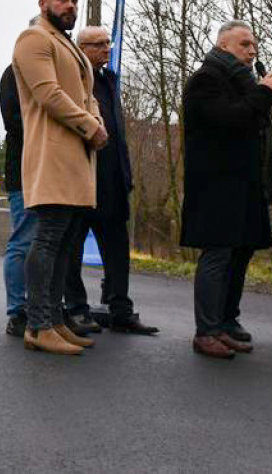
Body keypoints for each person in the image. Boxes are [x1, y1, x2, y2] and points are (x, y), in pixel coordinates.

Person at [12, 0, 107, 356]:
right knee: (49, 239)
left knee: (66, 243)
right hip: (53, 153)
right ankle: (37, 325)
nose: (70, 5)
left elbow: (87, 95)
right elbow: (48, 93)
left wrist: (97, 121)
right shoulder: (33, 39)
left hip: (78, 154)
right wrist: (89, 125)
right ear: (43, 3)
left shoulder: (69, 46)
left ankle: (53, 321)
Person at [181, 20, 272, 359]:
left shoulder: (242, 82)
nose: (252, 51)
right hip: (215, 185)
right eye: (244, 45)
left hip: (243, 184)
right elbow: (230, 120)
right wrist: (264, 93)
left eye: (253, 45)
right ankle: (205, 331)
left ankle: (223, 324)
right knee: (217, 255)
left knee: (240, 252)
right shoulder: (206, 80)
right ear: (224, 46)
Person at [64, 26, 158, 336]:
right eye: (99, 44)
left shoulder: (109, 80)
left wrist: (127, 174)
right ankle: (76, 310)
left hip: (114, 182)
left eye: (108, 43)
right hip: (83, 180)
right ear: (81, 48)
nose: (107, 49)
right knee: (73, 250)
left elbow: (116, 134)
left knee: (118, 251)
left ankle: (121, 310)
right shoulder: (73, 79)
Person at [0, 61, 37, 337]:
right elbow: (16, 122)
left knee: (43, 242)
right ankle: (17, 312)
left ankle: (40, 308)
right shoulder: (15, 73)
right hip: (24, 171)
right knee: (22, 241)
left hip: (48, 170)